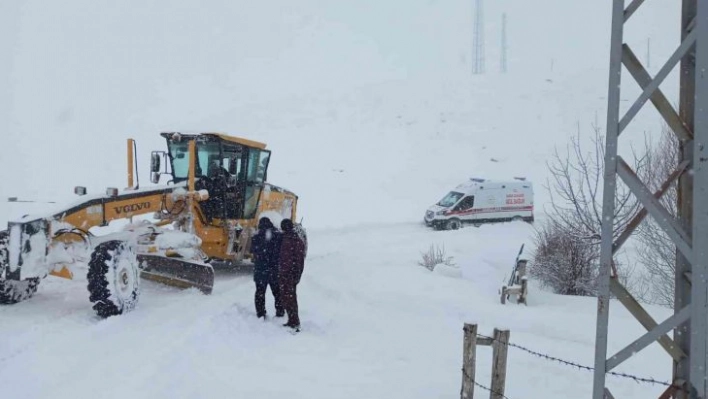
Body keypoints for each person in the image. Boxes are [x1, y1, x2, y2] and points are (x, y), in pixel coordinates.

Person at [251, 217, 284, 319]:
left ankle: (261, 313)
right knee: (277, 292)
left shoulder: (256, 237)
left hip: (261, 270)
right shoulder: (279, 236)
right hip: (275, 270)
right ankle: (280, 311)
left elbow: (253, 251)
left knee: (260, 293)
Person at [278, 218, 306, 330]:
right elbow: (299, 260)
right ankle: (291, 319)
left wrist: (295, 275)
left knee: (290, 298)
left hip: (288, 274)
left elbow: (298, 260)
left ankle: (294, 321)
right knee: (288, 298)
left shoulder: (291, 240)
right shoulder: (292, 239)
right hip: (288, 273)